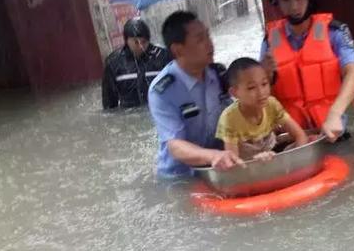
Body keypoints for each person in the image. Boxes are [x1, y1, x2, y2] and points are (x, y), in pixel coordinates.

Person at [260, 0, 354, 142]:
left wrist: (335, 114)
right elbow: (259, 91)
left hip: (332, 133)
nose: (293, 7)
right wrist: (266, 73)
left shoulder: (336, 32)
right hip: (291, 138)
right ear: (276, 1)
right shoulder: (269, 42)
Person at [148, 11, 244, 177]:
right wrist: (213, 155)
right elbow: (175, 145)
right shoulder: (162, 91)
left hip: (220, 167)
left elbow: (241, 108)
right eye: (200, 39)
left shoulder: (219, 73)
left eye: (208, 35)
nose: (210, 43)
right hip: (181, 176)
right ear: (178, 50)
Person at [216, 57, 308, 161]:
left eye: (264, 84)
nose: (261, 93)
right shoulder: (229, 118)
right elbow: (233, 162)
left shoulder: (271, 104)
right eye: (251, 88)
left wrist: (296, 161)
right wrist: (257, 163)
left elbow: (300, 136)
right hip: (248, 165)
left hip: (275, 154)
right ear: (234, 93)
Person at [102, 18, 171, 110]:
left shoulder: (162, 56)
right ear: (126, 40)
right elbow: (109, 102)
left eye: (144, 42)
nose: (141, 47)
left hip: (160, 110)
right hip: (129, 113)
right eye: (136, 42)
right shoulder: (113, 62)